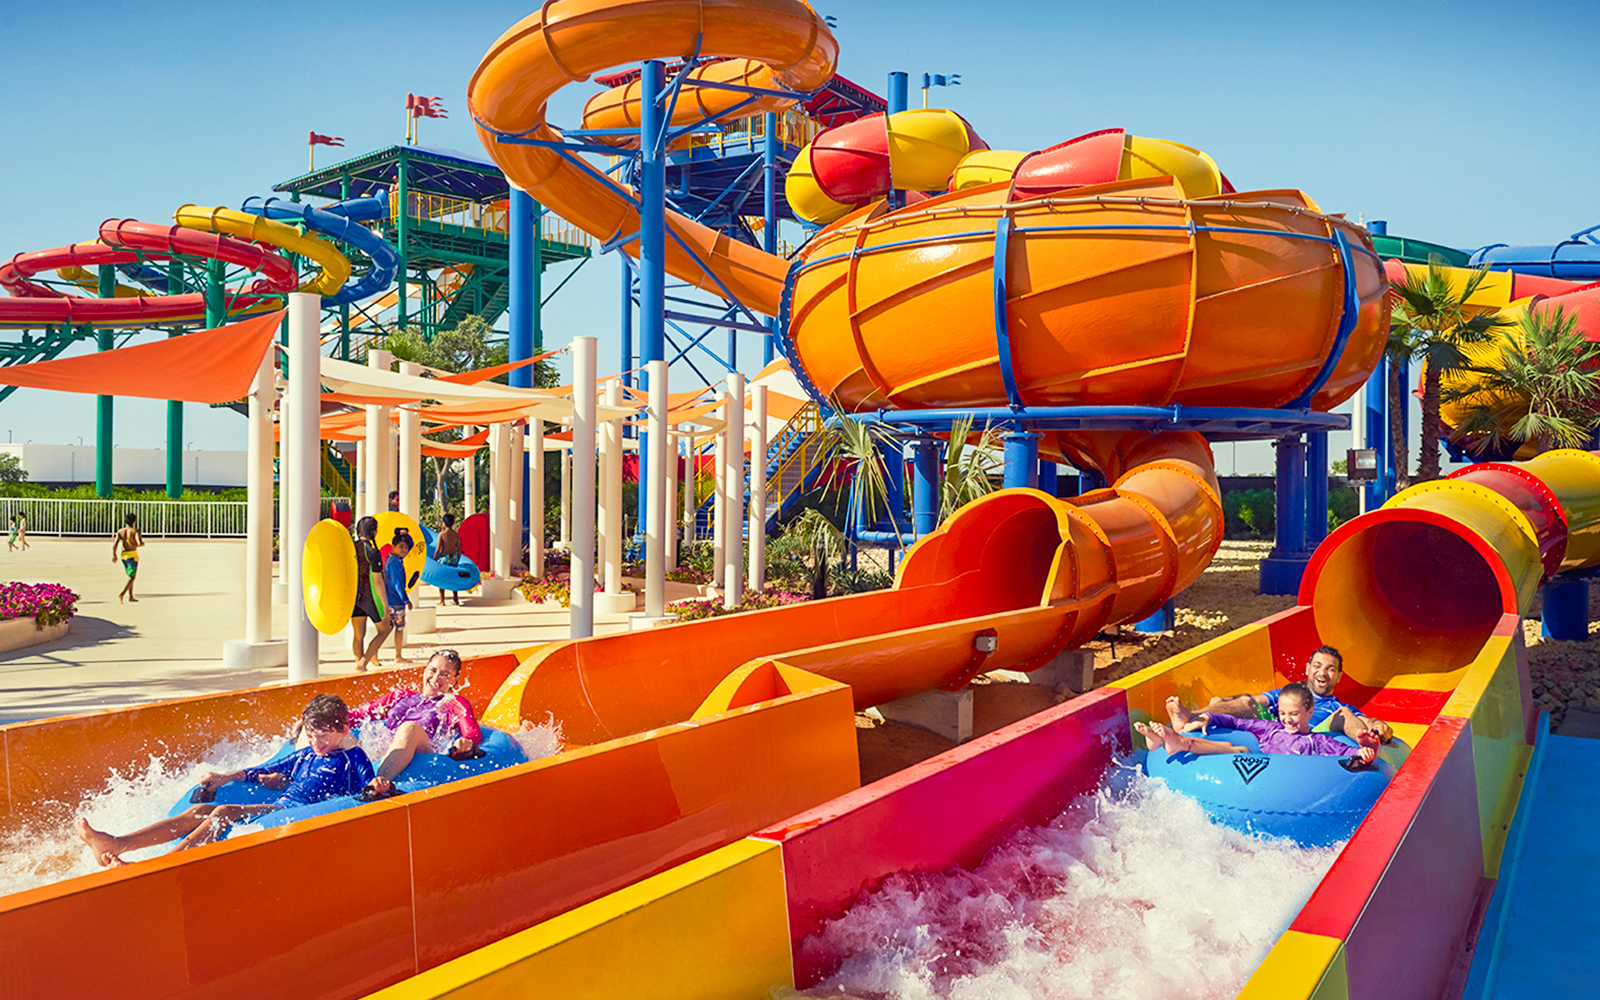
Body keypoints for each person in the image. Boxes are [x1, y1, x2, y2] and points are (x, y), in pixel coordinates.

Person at [73, 695, 373, 866]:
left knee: (224, 812)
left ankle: (155, 868)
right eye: (311, 734)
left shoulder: (352, 758)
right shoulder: (306, 755)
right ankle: (117, 843)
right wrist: (225, 777)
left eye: (324, 735)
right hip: (280, 807)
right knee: (201, 811)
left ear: (344, 729)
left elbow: (371, 787)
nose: (317, 741)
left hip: (299, 814)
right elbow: (263, 768)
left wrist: (378, 787)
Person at [347, 649, 482, 801]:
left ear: (455, 680)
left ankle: (378, 786)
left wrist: (466, 741)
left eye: (445, 675)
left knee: (409, 727)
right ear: (425, 670)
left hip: (424, 750)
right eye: (433, 670)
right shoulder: (400, 696)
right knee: (340, 731)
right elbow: (360, 715)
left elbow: (472, 732)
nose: (436, 678)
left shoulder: (453, 703)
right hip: (385, 754)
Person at [1185, 646, 1393, 743]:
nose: (1322, 672)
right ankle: (1191, 718)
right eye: (1317, 666)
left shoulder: (1336, 707)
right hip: (1272, 728)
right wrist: (1225, 703)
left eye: (1330, 669)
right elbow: (1254, 701)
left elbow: (1365, 720)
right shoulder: (1290, 692)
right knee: (1246, 701)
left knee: (1344, 713)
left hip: (1310, 733)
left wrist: (1377, 725)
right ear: (1308, 668)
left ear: (1339, 676)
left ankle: (1366, 751)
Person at [1136, 688, 1379, 765]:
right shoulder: (1270, 728)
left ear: (1309, 713)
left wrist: (1365, 751)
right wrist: (1210, 718)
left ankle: (1177, 741)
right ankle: (1170, 741)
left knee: (1241, 751)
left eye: (1294, 714)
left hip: (1289, 780)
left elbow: (1347, 752)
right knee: (1238, 749)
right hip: (1259, 767)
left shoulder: (1318, 741)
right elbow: (1235, 721)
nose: (1287, 719)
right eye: (1282, 713)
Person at [349, 516, 392, 672]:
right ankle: (363, 662)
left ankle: (359, 667)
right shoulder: (373, 552)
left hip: (354, 596)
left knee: (358, 634)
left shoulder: (351, 547)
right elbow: (378, 581)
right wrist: (385, 605)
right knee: (385, 629)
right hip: (369, 597)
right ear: (373, 532)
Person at [383, 528, 415, 666]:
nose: (404, 550)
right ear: (393, 547)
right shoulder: (395, 562)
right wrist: (406, 599)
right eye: (401, 547)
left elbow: (412, 545)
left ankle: (375, 655)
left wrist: (404, 535)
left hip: (390, 600)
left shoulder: (393, 558)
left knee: (386, 629)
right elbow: (397, 583)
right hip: (395, 602)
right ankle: (398, 655)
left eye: (405, 547)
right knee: (398, 629)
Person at [112, 512, 143, 604]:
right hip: (132, 555)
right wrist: (141, 544)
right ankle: (122, 593)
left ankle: (131, 596)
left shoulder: (120, 531)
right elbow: (139, 542)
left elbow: (115, 544)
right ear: (134, 522)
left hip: (123, 555)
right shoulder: (135, 531)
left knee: (130, 574)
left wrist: (114, 554)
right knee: (132, 576)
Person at [435, 512, 463, 606]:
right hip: (452, 558)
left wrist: (434, 559)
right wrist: (457, 560)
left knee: (441, 579)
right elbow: (459, 549)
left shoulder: (441, 534)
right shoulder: (456, 535)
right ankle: (456, 599)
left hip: (444, 558)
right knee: (453, 578)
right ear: (453, 523)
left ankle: (442, 600)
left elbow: (438, 548)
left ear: (443, 523)